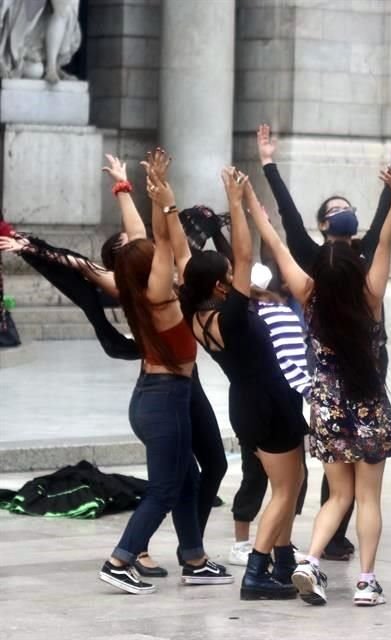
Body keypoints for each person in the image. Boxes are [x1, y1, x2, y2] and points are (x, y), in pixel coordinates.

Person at [256, 160, 391, 607]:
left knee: (337, 494)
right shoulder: (371, 295)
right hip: (367, 403)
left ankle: (310, 559)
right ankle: (366, 581)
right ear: (354, 263)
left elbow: (276, 243)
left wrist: (251, 205)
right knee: (368, 498)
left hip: (325, 403)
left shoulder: (310, 295)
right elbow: (384, 238)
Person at [98, 149, 231, 595]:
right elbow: (159, 236)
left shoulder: (138, 287)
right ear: (149, 266)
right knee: (165, 487)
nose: (160, 253)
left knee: (189, 478)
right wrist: (163, 200)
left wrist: (126, 187)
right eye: (154, 255)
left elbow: (141, 238)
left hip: (155, 394)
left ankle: (193, 558)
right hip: (165, 397)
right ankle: (120, 560)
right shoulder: (159, 294)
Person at [179, 168, 307, 600]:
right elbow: (245, 255)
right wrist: (234, 201)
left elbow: (187, 259)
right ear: (220, 284)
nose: (239, 273)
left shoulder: (196, 316)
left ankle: (285, 557)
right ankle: (257, 570)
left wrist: (166, 205)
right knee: (286, 489)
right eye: (231, 273)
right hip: (269, 402)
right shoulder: (231, 317)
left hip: (249, 403)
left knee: (292, 480)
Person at [225, 261, 311, 568]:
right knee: (289, 484)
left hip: (248, 405)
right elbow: (293, 362)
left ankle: (271, 545)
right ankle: (266, 556)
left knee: (259, 478)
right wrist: (311, 392)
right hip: (278, 405)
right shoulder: (278, 314)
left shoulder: (233, 320)